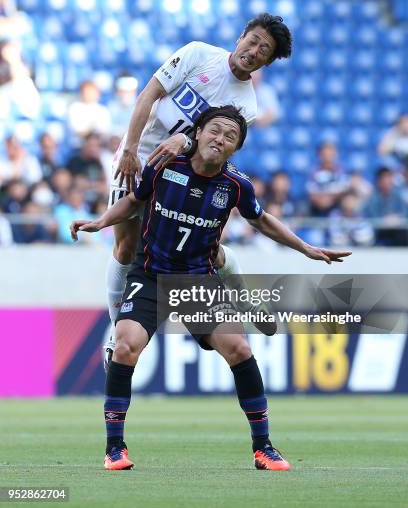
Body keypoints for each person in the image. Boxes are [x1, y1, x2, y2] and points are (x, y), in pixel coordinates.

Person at [71, 106, 351, 471]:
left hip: (197, 281)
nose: (220, 139)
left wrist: (306, 248)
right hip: (151, 274)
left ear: (235, 148)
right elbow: (134, 201)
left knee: (239, 348)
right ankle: (114, 449)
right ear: (199, 133)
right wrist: (101, 221)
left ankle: (263, 447)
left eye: (230, 136)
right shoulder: (165, 166)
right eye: (215, 131)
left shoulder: (236, 185)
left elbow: (262, 220)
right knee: (124, 346)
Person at [104, 13, 293, 364]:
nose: (253, 51)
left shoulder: (246, 106)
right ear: (240, 36)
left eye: (263, 50)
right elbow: (149, 95)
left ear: (266, 61)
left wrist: (185, 143)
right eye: (252, 41)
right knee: (126, 248)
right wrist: (130, 148)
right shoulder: (196, 54)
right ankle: (115, 335)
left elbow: (214, 145)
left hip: (183, 176)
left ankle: (244, 294)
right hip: (137, 160)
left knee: (202, 253)